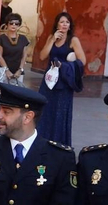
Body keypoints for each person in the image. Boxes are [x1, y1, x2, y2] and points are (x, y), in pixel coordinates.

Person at [35, 10, 84, 147]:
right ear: (57, 24)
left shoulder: (73, 40)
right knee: (45, 110)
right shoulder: (51, 37)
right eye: (62, 22)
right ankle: (42, 142)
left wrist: (64, 66)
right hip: (49, 80)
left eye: (67, 22)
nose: (64, 24)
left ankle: (59, 144)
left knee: (60, 113)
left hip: (64, 82)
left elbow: (82, 61)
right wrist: (52, 40)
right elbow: (42, 56)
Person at [0, 13, 30, 84]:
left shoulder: (23, 38)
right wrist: (6, 70)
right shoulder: (1, 38)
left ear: (19, 25)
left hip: (18, 72)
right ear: (7, 24)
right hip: (3, 71)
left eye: (16, 24)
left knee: (18, 90)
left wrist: (20, 70)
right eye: (11, 23)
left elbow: (24, 56)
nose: (14, 25)